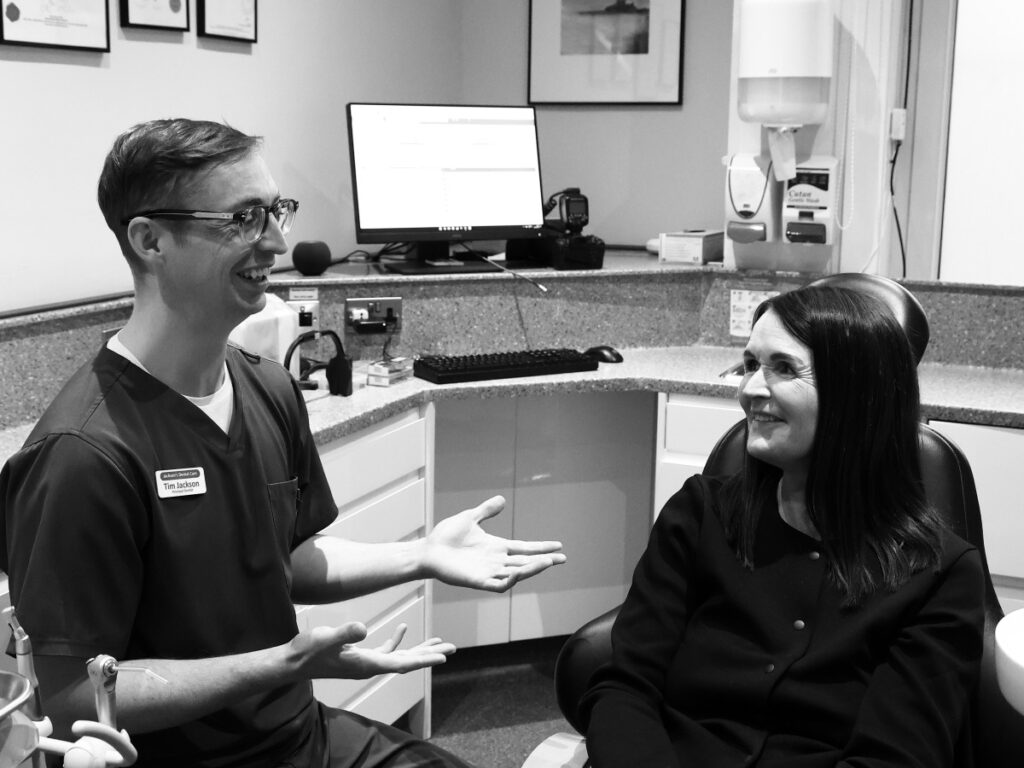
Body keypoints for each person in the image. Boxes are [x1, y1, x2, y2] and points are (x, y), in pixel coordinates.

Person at [0, 118, 566, 768]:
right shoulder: (82, 454)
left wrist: (421, 555)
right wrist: (278, 664)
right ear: (150, 239)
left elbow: (286, 557)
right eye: (242, 218)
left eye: (275, 212)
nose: (275, 240)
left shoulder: (267, 387)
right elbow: (72, 696)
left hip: (299, 736)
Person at [579, 285, 985, 768]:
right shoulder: (700, 514)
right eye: (750, 364)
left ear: (857, 395)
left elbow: (893, 758)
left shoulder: (938, 575)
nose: (749, 389)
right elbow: (626, 686)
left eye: (784, 368)